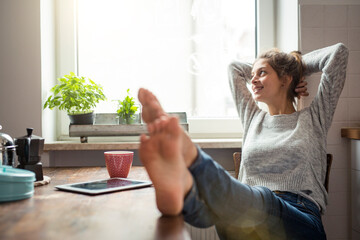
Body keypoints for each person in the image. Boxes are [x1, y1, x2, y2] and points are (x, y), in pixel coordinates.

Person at [138, 43, 349, 240]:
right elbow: (234, 69)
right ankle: (180, 198)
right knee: (231, 211)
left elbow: (338, 54)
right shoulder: (253, 118)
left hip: (299, 217)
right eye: (253, 75)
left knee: (261, 200)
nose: (253, 79)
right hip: (247, 212)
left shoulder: (314, 118)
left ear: (285, 79)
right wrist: (267, 68)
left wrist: (296, 66)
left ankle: (190, 173)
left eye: (262, 73)